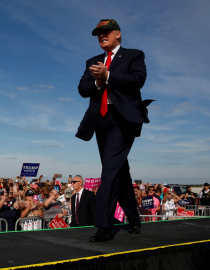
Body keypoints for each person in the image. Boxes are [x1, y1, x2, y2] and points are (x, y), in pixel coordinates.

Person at [75, 19, 153, 242]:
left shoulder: (134, 55)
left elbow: (138, 80)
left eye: (106, 32)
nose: (101, 36)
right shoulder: (93, 61)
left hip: (123, 120)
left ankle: (103, 225)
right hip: (100, 120)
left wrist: (108, 76)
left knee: (109, 170)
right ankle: (134, 219)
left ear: (118, 34)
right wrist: (98, 82)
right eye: (98, 34)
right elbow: (82, 89)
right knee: (119, 171)